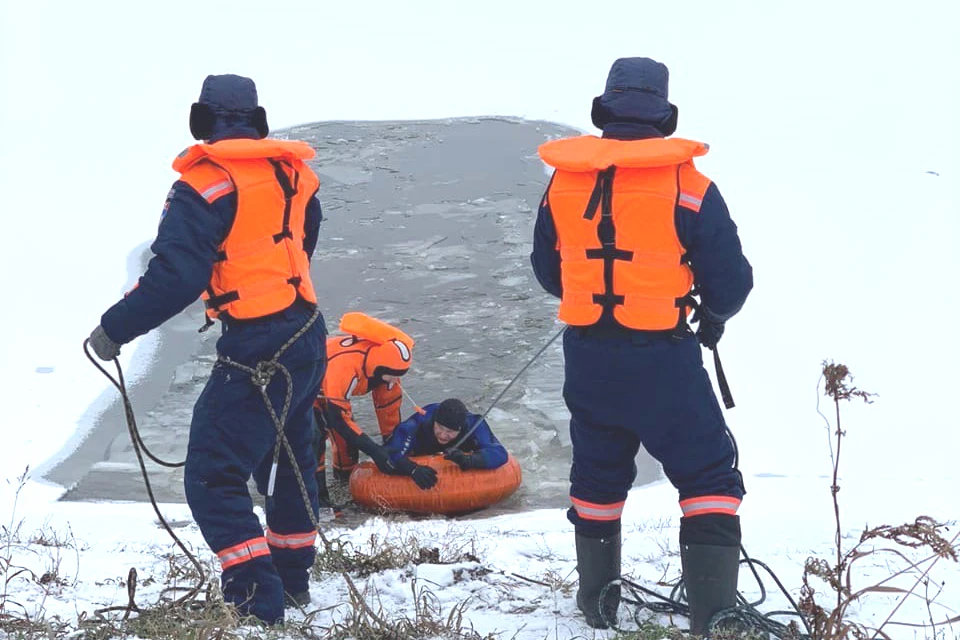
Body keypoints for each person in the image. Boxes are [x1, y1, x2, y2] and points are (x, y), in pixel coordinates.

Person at [86, 74, 326, 624]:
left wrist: (113, 328)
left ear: (201, 120)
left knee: (212, 474)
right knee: (288, 462)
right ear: (256, 120)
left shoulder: (204, 184)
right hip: (308, 332)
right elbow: (301, 240)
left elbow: (175, 277)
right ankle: (292, 583)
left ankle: (256, 604)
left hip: (259, 347)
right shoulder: (292, 171)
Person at [530, 57, 753, 632]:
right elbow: (731, 281)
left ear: (605, 107)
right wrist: (712, 316)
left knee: (598, 478)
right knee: (708, 478)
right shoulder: (689, 186)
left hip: (588, 357)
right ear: (664, 111)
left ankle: (596, 603)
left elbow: (547, 269)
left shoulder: (563, 181)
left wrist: (597, 295)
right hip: (663, 358)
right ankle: (713, 614)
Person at [313, 312, 439, 499]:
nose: (397, 380)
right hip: (309, 386)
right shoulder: (345, 367)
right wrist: (374, 450)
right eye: (394, 375)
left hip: (332, 391)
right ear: (380, 369)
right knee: (314, 441)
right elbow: (337, 417)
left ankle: (345, 487)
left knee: (347, 446)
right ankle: (320, 498)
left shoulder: (387, 374)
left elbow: (389, 416)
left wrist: (396, 455)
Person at [385, 398, 508, 471]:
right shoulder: (422, 420)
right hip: (421, 451)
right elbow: (392, 450)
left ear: (460, 430)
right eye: (439, 427)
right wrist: (412, 469)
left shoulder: (474, 425)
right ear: (434, 422)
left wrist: (470, 460)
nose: (443, 435)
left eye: (450, 432)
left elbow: (499, 453)